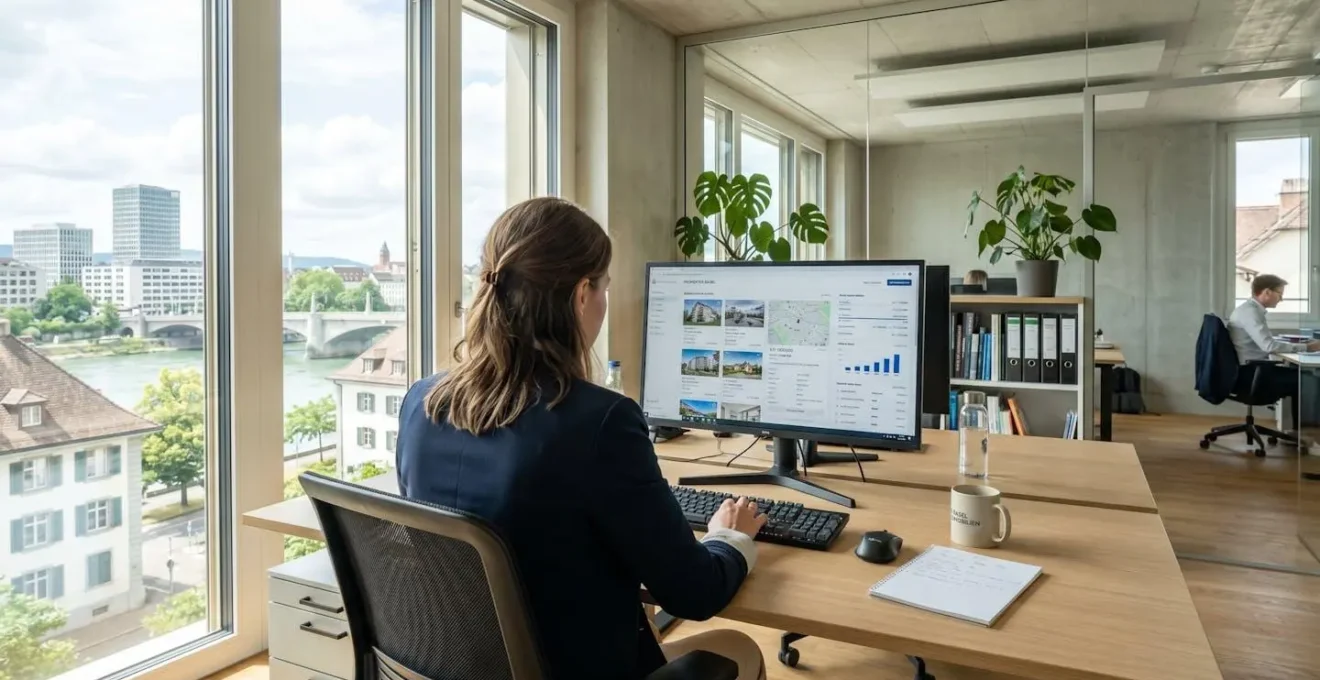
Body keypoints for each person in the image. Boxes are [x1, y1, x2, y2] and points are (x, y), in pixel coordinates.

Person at [395, 197, 768, 680]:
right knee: (738, 647)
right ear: (581, 294)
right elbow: (694, 594)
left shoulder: (422, 403)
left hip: (467, 664)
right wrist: (730, 537)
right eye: (605, 287)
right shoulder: (600, 422)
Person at [1227, 273, 1320, 430]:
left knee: (1299, 374)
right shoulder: (1251, 313)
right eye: (1280, 294)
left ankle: (1297, 431)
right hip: (1251, 374)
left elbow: (1264, 341)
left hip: (1248, 370)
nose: (1281, 299)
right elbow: (1269, 346)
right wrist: (1308, 347)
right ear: (1267, 292)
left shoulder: (1249, 310)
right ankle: (1303, 433)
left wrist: (1297, 344)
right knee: (1307, 380)